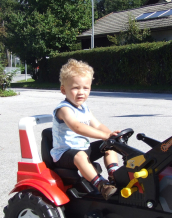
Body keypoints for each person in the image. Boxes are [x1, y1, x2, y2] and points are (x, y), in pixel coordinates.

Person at [50, 59, 120, 200]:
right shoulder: (64, 109)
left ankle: (115, 174)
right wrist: (104, 135)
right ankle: (101, 185)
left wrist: (110, 136)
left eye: (85, 88)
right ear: (63, 90)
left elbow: (98, 125)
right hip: (65, 153)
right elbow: (77, 127)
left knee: (109, 146)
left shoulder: (85, 109)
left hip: (82, 148)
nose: (81, 92)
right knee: (80, 156)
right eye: (75, 88)